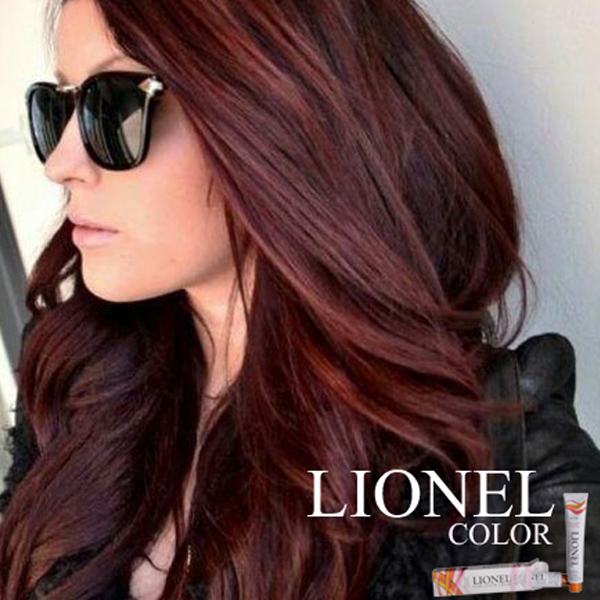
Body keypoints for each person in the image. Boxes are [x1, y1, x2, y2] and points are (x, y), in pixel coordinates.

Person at [0, 1, 599, 599]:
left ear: (278, 115)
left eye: (113, 104)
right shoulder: (77, 384)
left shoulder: (501, 467)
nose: (60, 164)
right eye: (59, 107)